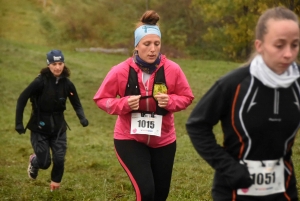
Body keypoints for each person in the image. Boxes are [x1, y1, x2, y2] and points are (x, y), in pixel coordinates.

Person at [186, 6, 300, 201]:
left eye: (295, 44)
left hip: (283, 191)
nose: (288, 54)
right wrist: (230, 168)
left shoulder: (297, 84)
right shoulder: (233, 84)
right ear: (259, 45)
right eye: (279, 45)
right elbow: (197, 125)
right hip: (234, 191)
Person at [93, 10, 194, 201]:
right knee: (146, 192)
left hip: (164, 140)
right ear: (136, 46)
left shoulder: (173, 69)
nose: (152, 49)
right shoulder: (120, 71)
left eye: (157, 44)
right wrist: (123, 103)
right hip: (129, 139)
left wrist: (170, 101)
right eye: (147, 44)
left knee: (160, 196)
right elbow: (101, 99)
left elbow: (187, 96)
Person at [15, 50, 89, 191]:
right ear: (49, 65)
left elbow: (76, 103)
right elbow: (22, 99)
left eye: (60, 63)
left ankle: (54, 189)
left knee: (59, 159)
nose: (57, 67)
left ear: (63, 64)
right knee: (45, 163)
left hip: (59, 128)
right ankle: (34, 161)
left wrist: (82, 118)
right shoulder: (40, 82)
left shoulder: (67, 84)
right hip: (39, 128)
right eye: (54, 64)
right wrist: (19, 122)